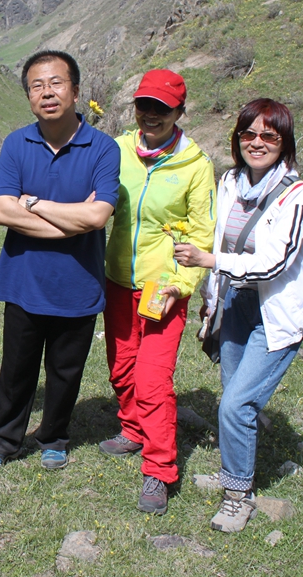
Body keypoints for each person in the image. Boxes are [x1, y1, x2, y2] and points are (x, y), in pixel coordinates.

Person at [174, 98, 303, 533]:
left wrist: (209, 261)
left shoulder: (298, 196)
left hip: (276, 313)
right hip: (235, 303)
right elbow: (221, 236)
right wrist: (212, 295)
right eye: (248, 134)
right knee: (232, 394)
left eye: (269, 136)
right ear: (237, 139)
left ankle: (238, 496)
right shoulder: (230, 183)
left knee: (237, 404)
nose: (257, 142)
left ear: (284, 142)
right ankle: (233, 470)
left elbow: (275, 264)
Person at [0, 50, 120, 473]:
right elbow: (3, 210)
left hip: (78, 282)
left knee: (66, 369)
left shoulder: (103, 148)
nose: (47, 92)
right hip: (24, 280)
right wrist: (71, 223)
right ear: (28, 97)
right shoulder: (17, 143)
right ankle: (4, 440)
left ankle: (54, 436)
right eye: (37, 86)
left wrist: (35, 204)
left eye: (56, 83)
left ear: (75, 90)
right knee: (16, 368)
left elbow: (98, 215)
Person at [100, 69, 215, 515]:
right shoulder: (118, 149)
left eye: (161, 109)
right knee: (121, 368)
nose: (150, 115)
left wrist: (179, 286)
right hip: (117, 280)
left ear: (179, 112)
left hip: (162, 288)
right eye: (143, 105)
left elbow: (202, 235)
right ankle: (133, 429)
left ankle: (160, 469)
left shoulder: (196, 165)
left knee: (152, 380)